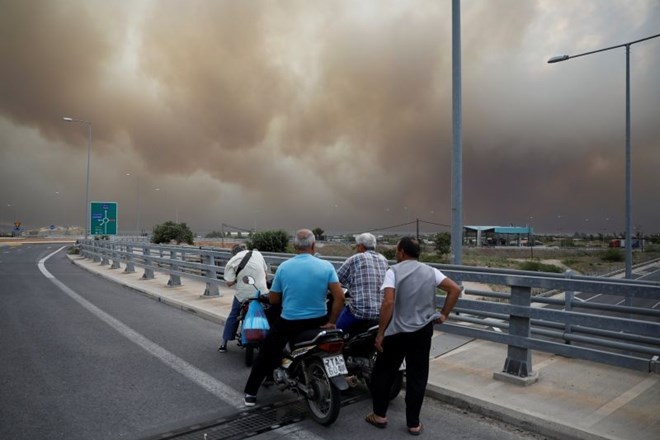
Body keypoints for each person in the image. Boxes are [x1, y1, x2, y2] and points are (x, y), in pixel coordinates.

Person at [364, 236, 461, 435]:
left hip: (397, 332)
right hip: (422, 332)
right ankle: (413, 424)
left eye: (396, 249)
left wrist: (381, 333)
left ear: (401, 252)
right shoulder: (431, 271)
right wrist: (443, 314)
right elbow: (454, 289)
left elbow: (388, 303)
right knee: (417, 376)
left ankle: (379, 415)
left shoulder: (393, 271)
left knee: (383, 372)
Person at [242, 229, 345, 406]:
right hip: (319, 321)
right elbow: (340, 297)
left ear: (295, 246)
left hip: (290, 322)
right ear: (313, 245)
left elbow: (274, 299)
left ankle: (251, 392)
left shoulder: (284, 267)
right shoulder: (326, 266)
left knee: (266, 352)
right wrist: (332, 322)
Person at [218, 244, 270, 353]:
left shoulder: (232, 261)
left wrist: (239, 278)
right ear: (244, 249)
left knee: (234, 315)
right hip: (261, 292)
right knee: (269, 313)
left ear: (233, 253)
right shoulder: (257, 254)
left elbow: (229, 283)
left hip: (243, 295)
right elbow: (266, 275)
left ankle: (223, 344)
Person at [336, 232, 389, 336]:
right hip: (380, 314)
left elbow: (336, 279)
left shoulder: (355, 259)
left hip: (358, 313)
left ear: (360, 246)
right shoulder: (384, 260)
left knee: (335, 333)